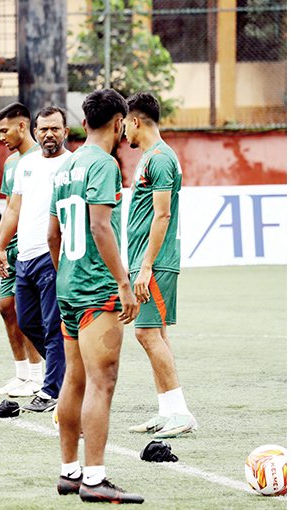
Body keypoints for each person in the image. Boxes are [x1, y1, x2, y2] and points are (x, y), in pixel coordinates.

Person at [48, 89, 143, 504]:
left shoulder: (66, 166)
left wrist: (64, 274)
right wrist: (123, 283)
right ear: (120, 124)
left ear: (83, 124)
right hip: (97, 289)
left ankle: (70, 473)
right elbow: (101, 227)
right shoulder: (103, 165)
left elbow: (53, 235)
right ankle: (95, 478)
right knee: (102, 383)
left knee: (75, 379)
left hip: (68, 286)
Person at [123, 92, 196, 439]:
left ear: (135, 121)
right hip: (146, 261)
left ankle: (180, 412)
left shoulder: (160, 158)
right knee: (157, 335)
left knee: (146, 333)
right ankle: (167, 411)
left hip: (156, 263)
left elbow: (163, 214)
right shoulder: (152, 157)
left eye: (124, 123)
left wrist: (146, 266)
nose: (123, 131)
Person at [0, 106, 73, 412]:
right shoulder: (26, 164)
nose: (49, 134)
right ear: (35, 132)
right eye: (44, 129)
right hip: (23, 257)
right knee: (26, 322)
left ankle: (52, 391)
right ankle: (66, 374)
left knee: (53, 326)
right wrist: (0, 246)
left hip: (52, 255)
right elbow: (13, 208)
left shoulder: (72, 164)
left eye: (55, 128)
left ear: (66, 131)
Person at [0, 104, 45, 396]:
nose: (2, 138)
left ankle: (38, 376)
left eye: (4, 131)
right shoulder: (11, 163)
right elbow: (10, 209)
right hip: (12, 248)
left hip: (35, 249)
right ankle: (22, 375)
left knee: (26, 312)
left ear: (23, 126)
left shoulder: (44, 158)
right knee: (5, 307)